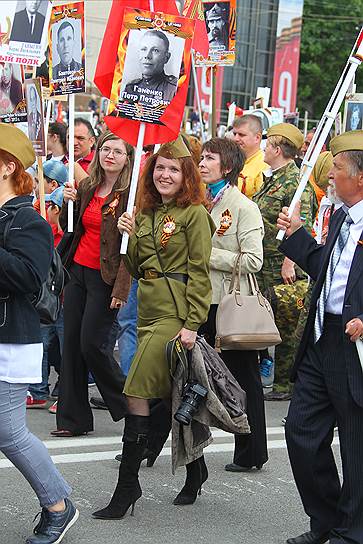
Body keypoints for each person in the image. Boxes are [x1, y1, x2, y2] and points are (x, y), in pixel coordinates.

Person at [92, 136, 215, 520]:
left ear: (186, 175)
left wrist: (193, 323)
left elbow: (199, 272)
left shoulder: (194, 214)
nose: (165, 174)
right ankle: (196, 469)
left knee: (135, 391)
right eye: (160, 167)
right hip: (147, 311)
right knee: (171, 395)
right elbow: (133, 267)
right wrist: (125, 229)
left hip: (175, 314)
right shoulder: (144, 213)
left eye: (173, 169)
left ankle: (127, 486)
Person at [277, 130, 363, 544]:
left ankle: (352, 531)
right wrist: (297, 236)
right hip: (321, 339)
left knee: (355, 448)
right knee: (301, 431)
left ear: (361, 178)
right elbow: (325, 269)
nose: (331, 179)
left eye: (339, 172)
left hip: (356, 346)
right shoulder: (342, 217)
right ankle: (326, 520)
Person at [0, 123, 78, 544]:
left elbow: (29, 277)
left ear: (8, 166)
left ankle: (58, 505)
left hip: (10, 337)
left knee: (7, 431)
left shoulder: (27, 219)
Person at [51, 130, 133, 437]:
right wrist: (70, 205)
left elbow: (131, 249)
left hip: (106, 277)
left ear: (128, 159)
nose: (110, 155)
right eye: (105, 149)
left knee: (92, 345)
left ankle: (133, 405)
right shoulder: (87, 185)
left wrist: (122, 289)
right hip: (77, 273)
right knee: (71, 343)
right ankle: (73, 420)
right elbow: (69, 229)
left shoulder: (131, 194)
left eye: (118, 151)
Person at [198, 137, 268, 473]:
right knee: (186, 372)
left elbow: (254, 259)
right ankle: (150, 442)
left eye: (209, 158)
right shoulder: (199, 201)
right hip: (198, 299)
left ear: (226, 167)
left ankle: (252, 451)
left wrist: (207, 256)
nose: (201, 163)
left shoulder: (243, 207)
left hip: (229, 304)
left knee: (243, 378)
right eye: (201, 156)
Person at [253, 123, 316, 400]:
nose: (264, 149)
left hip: (282, 265)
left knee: (287, 325)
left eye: (267, 145)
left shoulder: (295, 181)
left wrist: (290, 261)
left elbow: (303, 225)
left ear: (278, 149)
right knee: (268, 322)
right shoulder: (273, 177)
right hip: (265, 264)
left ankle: (284, 385)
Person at [123, 30, 177, 104]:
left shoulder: (173, 88)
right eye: (144, 49)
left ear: (166, 58)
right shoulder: (131, 87)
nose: (147, 56)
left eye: (155, 50)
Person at [232, 115, 269, 198]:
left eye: (241, 135)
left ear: (257, 138)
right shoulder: (228, 160)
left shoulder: (264, 166)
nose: (236, 139)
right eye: (234, 134)